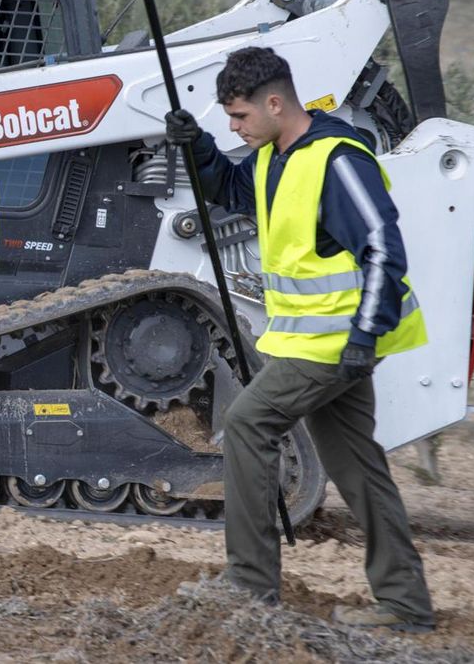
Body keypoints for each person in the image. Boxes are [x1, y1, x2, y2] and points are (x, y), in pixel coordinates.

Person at [166, 46, 434, 632]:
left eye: (238, 117)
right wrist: (198, 149)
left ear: (275, 102)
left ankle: (250, 588)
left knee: (246, 423)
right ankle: (408, 605)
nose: (234, 127)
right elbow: (236, 193)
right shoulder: (272, 156)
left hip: (340, 343)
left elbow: (385, 247)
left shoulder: (337, 160)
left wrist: (365, 336)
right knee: (357, 467)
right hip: (309, 342)